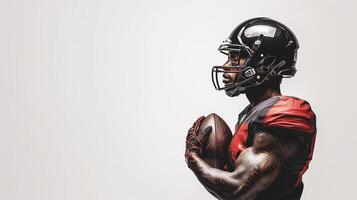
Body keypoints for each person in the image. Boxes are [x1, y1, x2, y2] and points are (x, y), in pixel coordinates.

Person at [185, 17, 316, 200]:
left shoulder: (284, 114)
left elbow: (238, 190)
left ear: (264, 63)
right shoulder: (252, 113)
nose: (226, 66)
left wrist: (193, 159)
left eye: (235, 58)